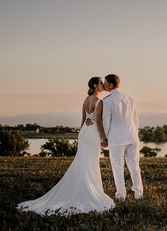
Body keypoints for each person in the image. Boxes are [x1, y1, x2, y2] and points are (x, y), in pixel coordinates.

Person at [17, 77, 115, 216]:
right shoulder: (100, 101)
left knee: (82, 162)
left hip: (84, 133)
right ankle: (91, 191)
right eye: (100, 83)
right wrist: (104, 138)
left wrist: (81, 135)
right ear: (95, 86)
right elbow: (98, 121)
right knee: (91, 163)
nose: (102, 84)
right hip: (92, 133)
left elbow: (82, 120)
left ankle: (85, 187)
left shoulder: (86, 100)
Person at [102, 74, 143, 201]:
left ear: (110, 85)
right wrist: (135, 134)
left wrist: (104, 138)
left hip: (117, 139)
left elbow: (106, 122)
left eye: (105, 83)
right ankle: (138, 193)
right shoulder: (130, 98)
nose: (103, 85)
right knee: (134, 166)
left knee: (118, 167)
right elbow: (135, 119)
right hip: (132, 136)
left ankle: (121, 195)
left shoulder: (107, 101)